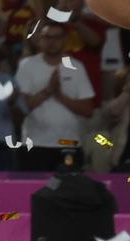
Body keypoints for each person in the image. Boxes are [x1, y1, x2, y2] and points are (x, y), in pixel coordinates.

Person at [14, 20, 96, 169]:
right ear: (40, 40)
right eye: (47, 37)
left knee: (71, 191)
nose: (52, 42)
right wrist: (47, 91)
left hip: (70, 143)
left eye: (57, 37)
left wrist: (59, 96)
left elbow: (88, 110)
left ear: (65, 39)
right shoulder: (27, 65)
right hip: (35, 144)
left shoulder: (76, 67)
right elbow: (20, 108)